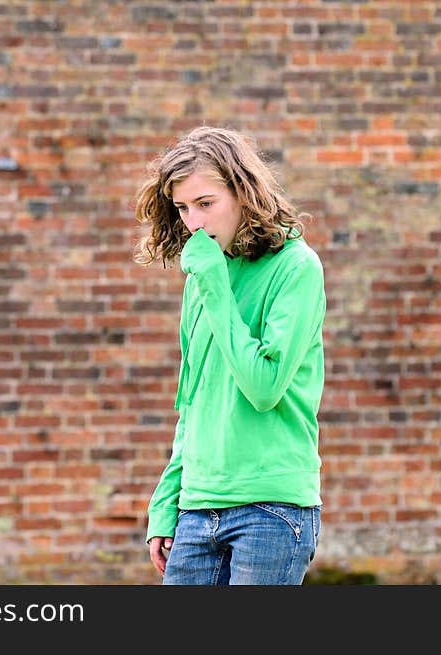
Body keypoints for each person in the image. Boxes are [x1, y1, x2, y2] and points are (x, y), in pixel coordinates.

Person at [133, 126, 326, 585]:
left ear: (243, 193)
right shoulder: (204, 277)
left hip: (271, 509)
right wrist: (167, 502)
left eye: (206, 203)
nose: (194, 223)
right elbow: (193, 400)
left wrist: (216, 286)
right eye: (182, 208)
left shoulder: (296, 268)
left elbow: (263, 388)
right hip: (197, 509)